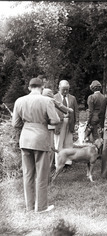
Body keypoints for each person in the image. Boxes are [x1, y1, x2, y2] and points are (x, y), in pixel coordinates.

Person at [12, 77, 60, 213]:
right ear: (42, 87)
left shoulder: (19, 101)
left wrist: (27, 124)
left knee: (27, 174)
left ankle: (29, 206)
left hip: (25, 139)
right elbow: (55, 120)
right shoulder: (47, 100)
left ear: (29, 87)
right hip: (40, 138)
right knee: (42, 174)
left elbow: (15, 124)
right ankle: (41, 207)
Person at [42, 88, 73, 175]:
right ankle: (48, 170)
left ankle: (47, 168)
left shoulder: (36, 101)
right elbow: (58, 109)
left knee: (47, 149)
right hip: (50, 127)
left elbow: (59, 105)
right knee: (51, 148)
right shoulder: (49, 101)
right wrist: (68, 110)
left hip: (40, 128)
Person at [53, 80, 79, 169]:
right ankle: (59, 163)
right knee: (58, 143)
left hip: (70, 123)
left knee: (69, 142)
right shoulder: (54, 97)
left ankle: (68, 162)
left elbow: (76, 111)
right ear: (59, 87)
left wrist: (77, 122)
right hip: (59, 123)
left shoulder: (72, 98)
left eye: (67, 89)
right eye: (63, 89)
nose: (65, 91)